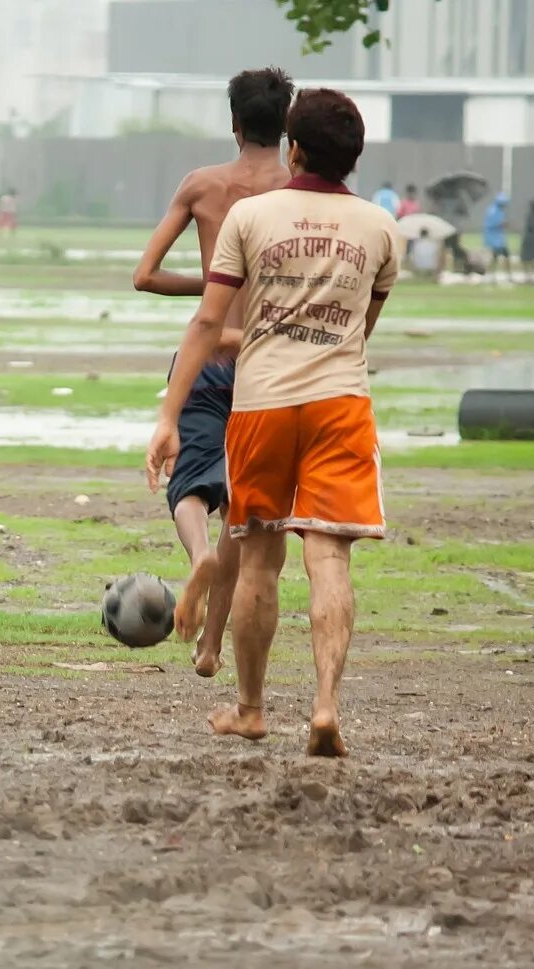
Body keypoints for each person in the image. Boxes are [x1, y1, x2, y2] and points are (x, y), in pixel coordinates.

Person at [148, 88, 401, 758]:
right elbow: (361, 330)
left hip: (261, 404)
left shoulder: (252, 217)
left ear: (295, 149)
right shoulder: (381, 228)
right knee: (329, 555)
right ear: (354, 156)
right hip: (340, 404)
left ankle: (252, 708)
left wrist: (169, 416)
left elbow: (208, 319)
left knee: (259, 554)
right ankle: (323, 707)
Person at [133, 67, 295, 679]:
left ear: (233, 124)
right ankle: (210, 646)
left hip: (206, 355)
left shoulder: (202, 186)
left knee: (190, 482)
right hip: (268, 362)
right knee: (244, 506)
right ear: (286, 128)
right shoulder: (297, 195)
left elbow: (144, 275)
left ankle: (197, 554)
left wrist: (213, 287)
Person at [483, 191, 513, 282]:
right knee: (495, 257)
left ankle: (506, 276)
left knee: (504, 256)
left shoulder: (498, 211)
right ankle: (491, 276)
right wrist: (503, 225)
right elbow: (492, 224)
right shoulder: (493, 211)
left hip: (499, 239)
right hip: (494, 239)